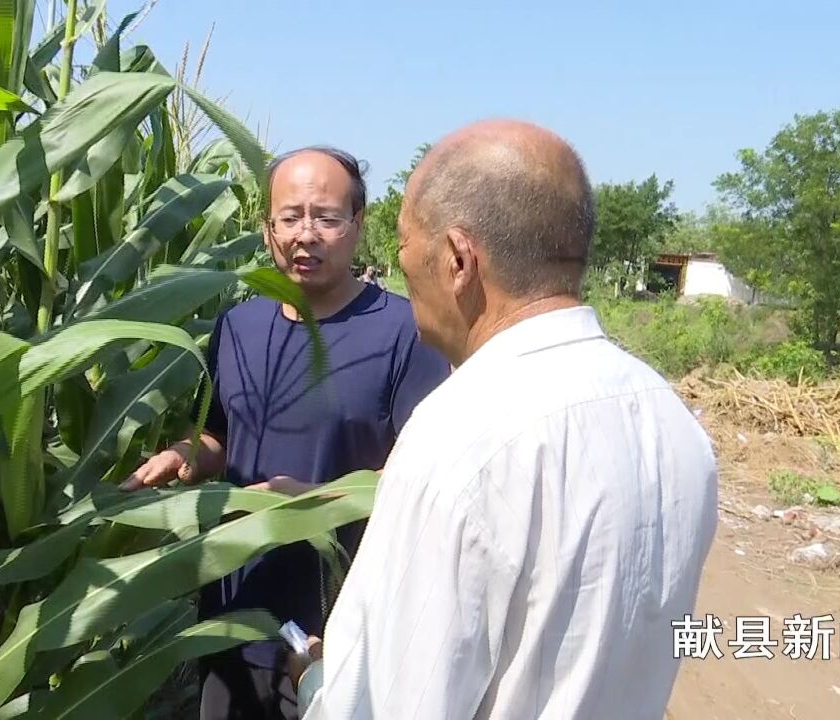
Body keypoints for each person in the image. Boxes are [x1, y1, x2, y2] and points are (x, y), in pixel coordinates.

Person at [292, 119, 719, 719]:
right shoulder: (671, 419)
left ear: (459, 260)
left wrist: (316, 683)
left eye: (405, 243)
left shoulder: (459, 435)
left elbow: (394, 703)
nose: (400, 264)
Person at [120, 145, 451, 719]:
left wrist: (314, 504)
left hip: (342, 616)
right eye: (289, 218)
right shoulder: (238, 325)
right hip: (236, 608)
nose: (306, 235)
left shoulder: (405, 333)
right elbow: (221, 434)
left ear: (357, 224)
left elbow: (423, 477)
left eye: (325, 217)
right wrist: (183, 454)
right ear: (267, 227)